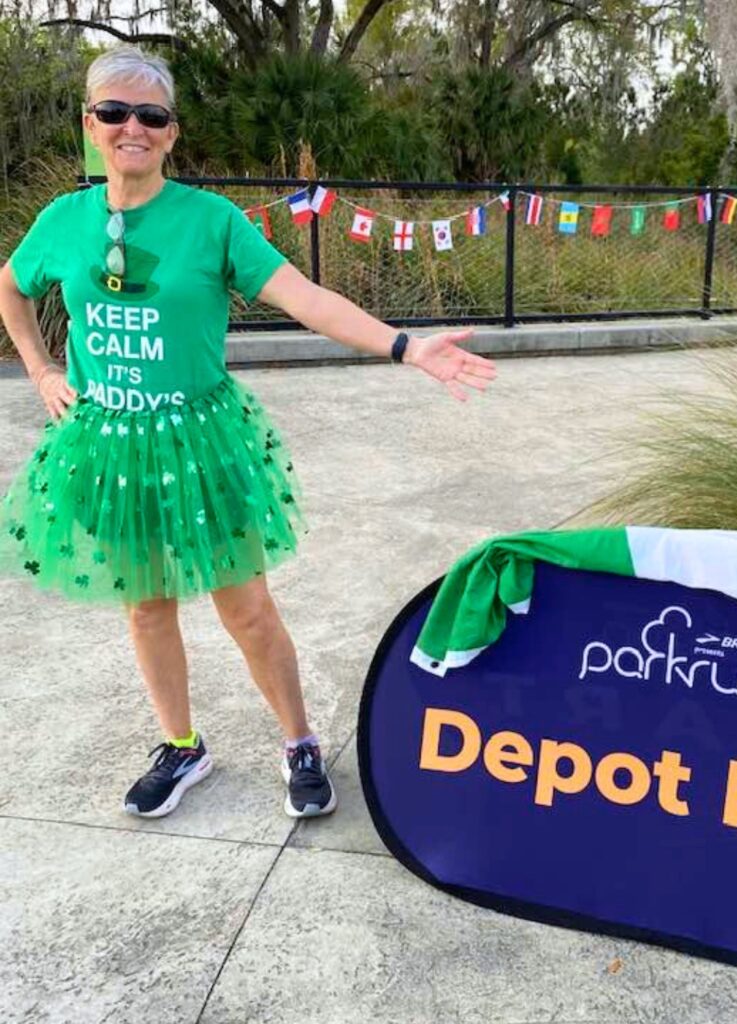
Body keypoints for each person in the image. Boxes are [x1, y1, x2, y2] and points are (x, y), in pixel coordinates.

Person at [0, 45, 497, 821]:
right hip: (109, 445)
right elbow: (11, 286)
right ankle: (181, 744)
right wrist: (40, 371)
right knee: (147, 606)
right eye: (115, 112)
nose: (133, 127)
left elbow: (304, 297)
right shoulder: (62, 222)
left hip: (202, 444)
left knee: (248, 608)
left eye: (151, 116)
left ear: (171, 134)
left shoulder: (212, 221)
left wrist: (405, 345)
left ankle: (298, 741)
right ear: (91, 125)